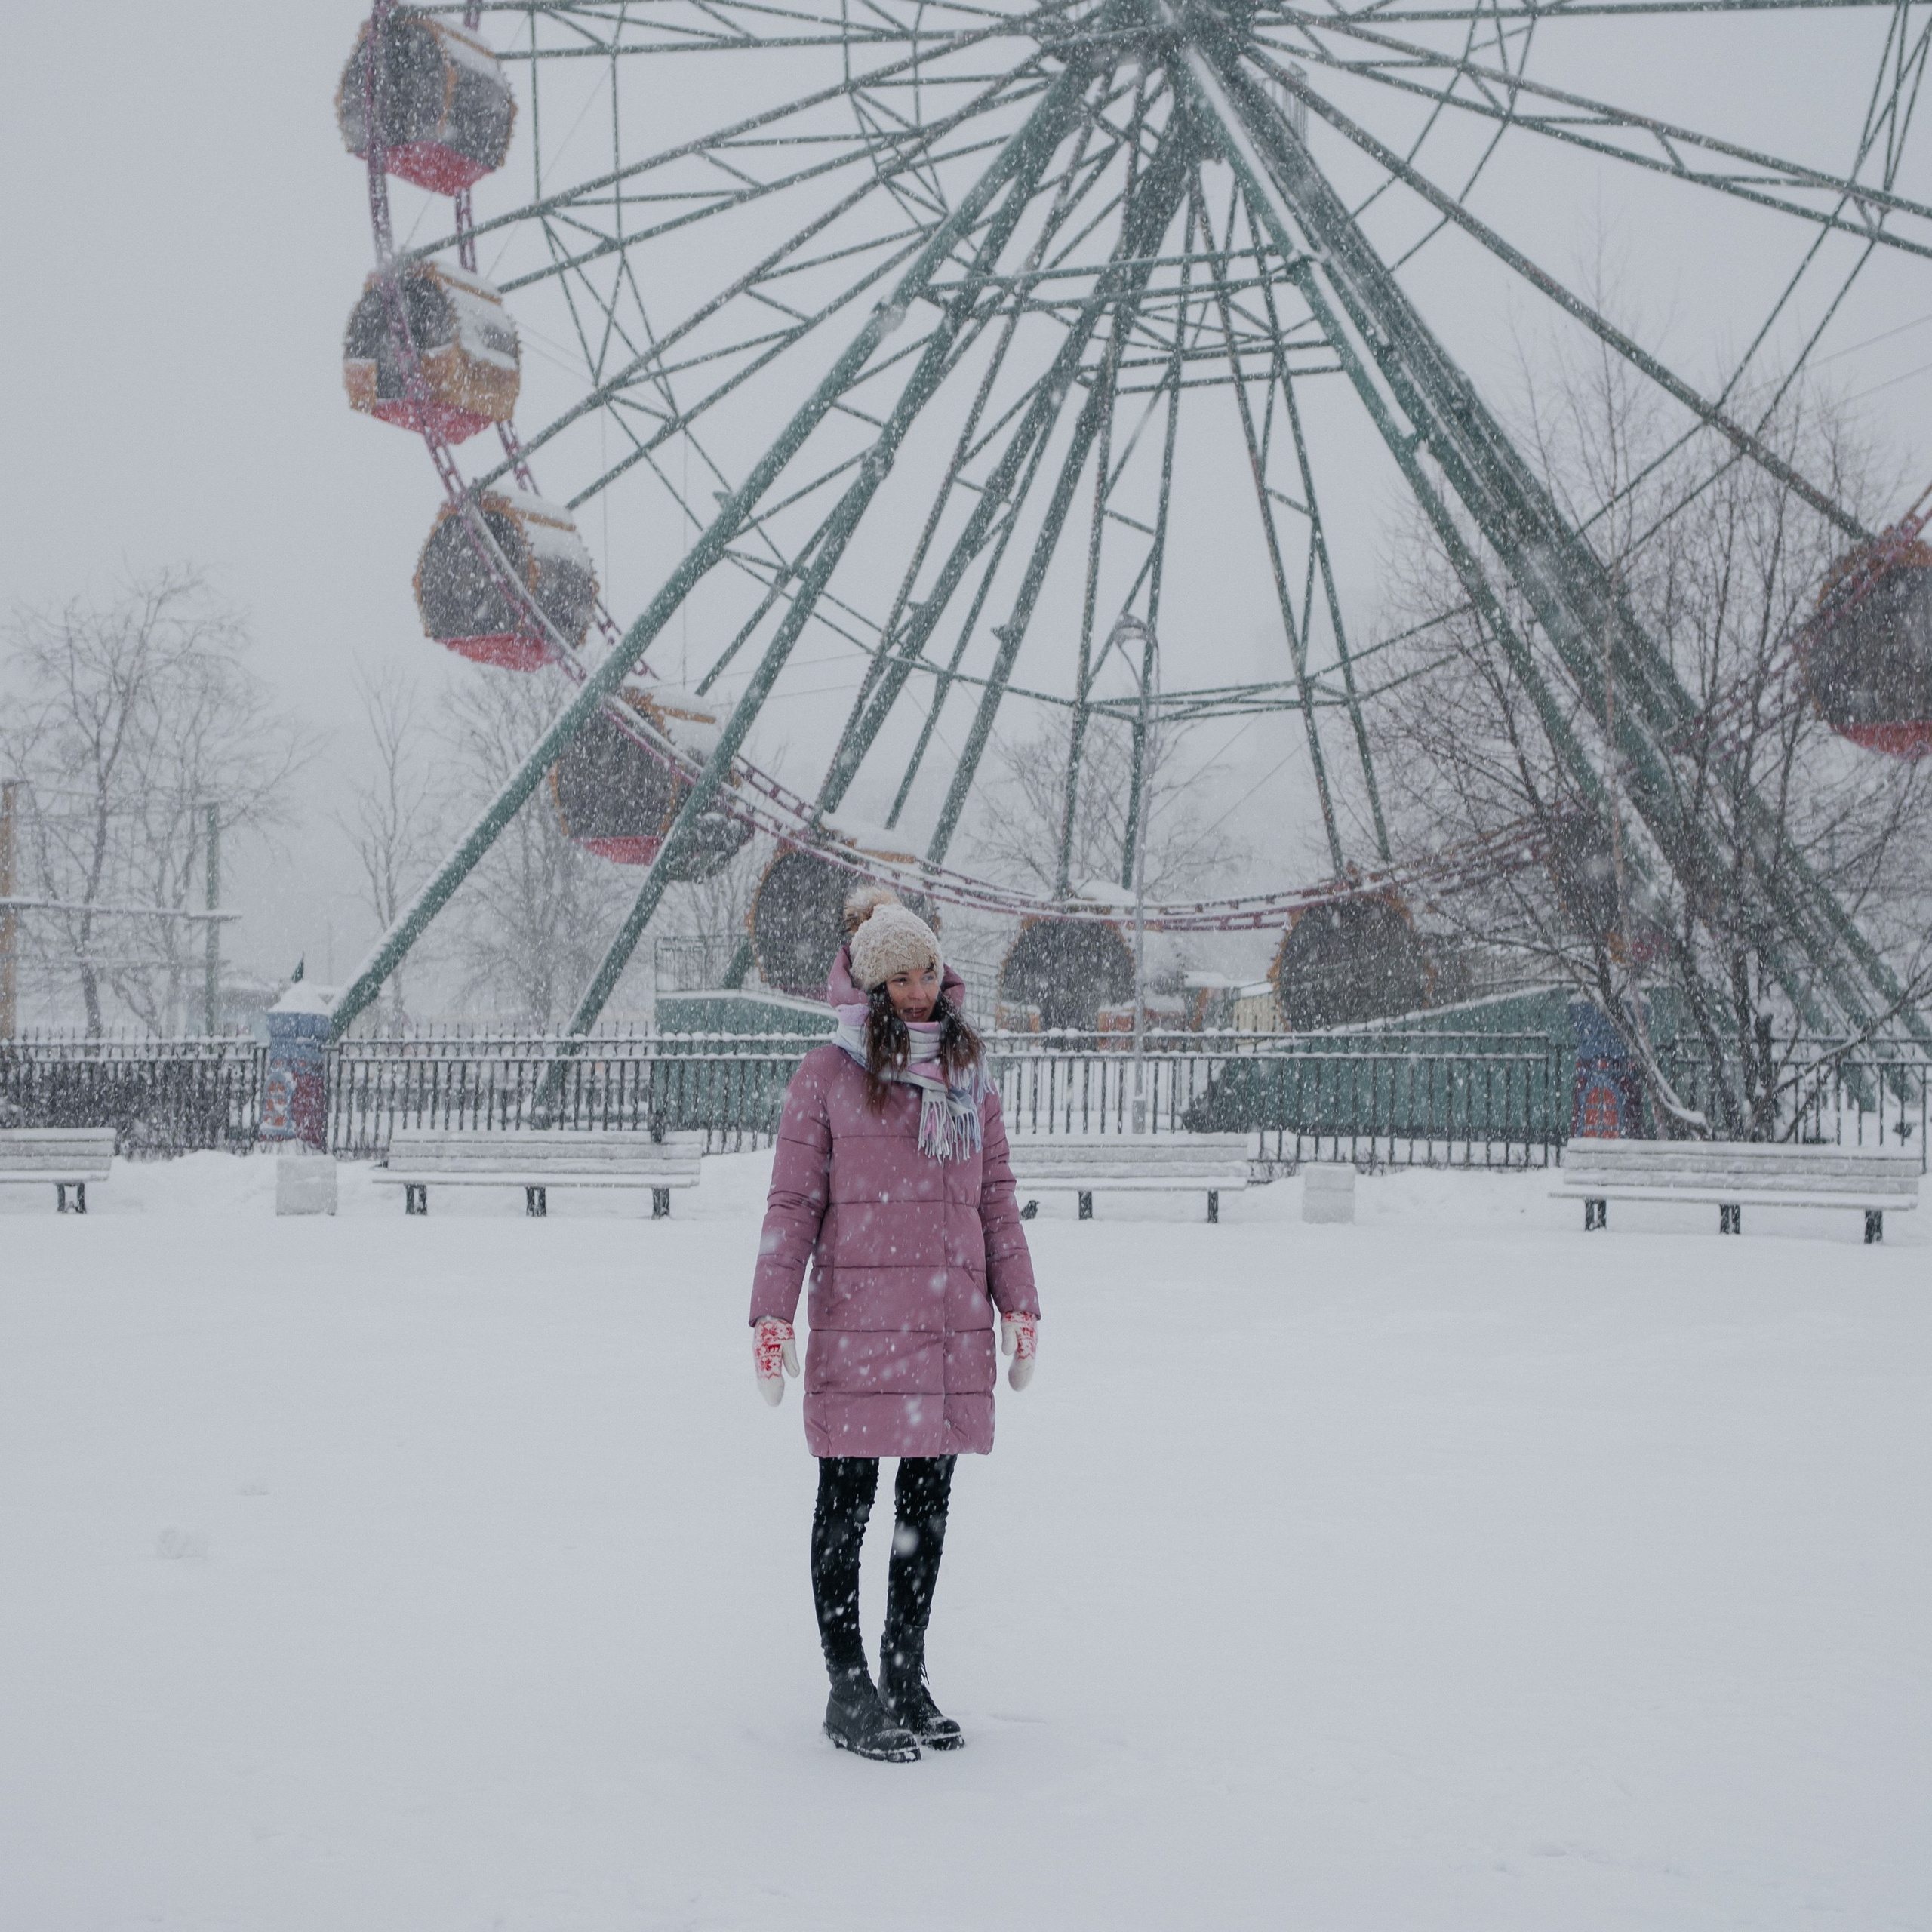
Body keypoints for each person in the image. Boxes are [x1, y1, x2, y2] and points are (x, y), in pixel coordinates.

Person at [749, 885, 1040, 1763]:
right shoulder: (827, 1075)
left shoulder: (968, 1078)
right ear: (871, 984)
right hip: (859, 1327)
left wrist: (1019, 1302)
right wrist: (770, 1314)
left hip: (946, 1329)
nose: (919, 991)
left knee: (925, 1509)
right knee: (847, 1505)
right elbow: (792, 1205)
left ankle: (905, 1676)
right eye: (901, 977)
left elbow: (996, 1201)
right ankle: (849, 1690)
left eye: (927, 973)